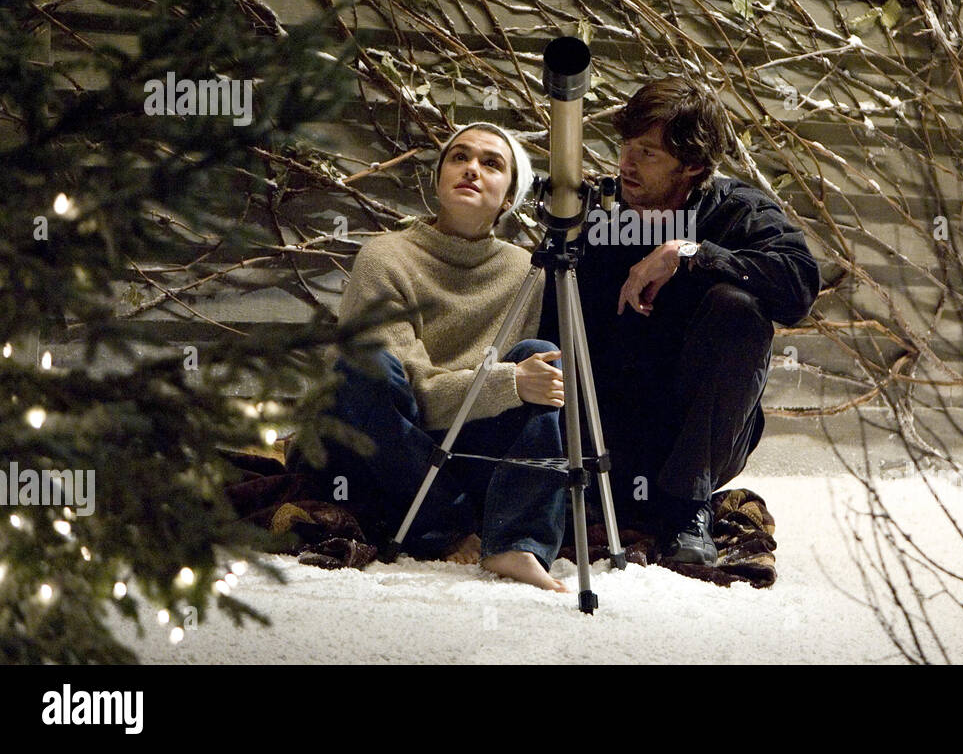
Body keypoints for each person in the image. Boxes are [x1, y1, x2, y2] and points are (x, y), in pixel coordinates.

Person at [538, 76, 821, 565]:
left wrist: (689, 252)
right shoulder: (601, 217)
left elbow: (799, 286)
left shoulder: (737, 210)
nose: (626, 164)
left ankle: (687, 508)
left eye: (647, 154)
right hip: (607, 435)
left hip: (697, 441)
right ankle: (582, 488)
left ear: (692, 165)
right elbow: (551, 334)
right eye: (625, 146)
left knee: (739, 306)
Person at [292, 122, 571, 591]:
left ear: (509, 199)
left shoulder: (529, 272)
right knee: (366, 362)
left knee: (542, 356)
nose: (471, 169)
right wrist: (507, 384)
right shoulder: (386, 256)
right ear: (439, 180)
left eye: (491, 163)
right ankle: (447, 522)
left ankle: (518, 543)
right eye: (458, 158)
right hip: (383, 444)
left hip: (462, 449)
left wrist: (518, 383)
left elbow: (523, 387)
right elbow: (409, 392)